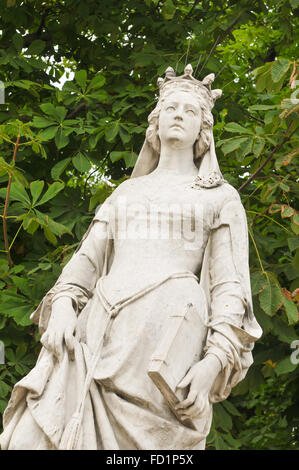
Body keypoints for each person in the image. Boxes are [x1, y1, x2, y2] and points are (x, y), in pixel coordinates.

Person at [0, 65, 262, 450]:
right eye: (171, 107)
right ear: (155, 124)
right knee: (26, 440)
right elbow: (84, 265)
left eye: (190, 111)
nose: (178, 115)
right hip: (95, 336)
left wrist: (213, 362)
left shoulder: (219, 197)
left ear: (202, 131)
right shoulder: (126, 193)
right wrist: (62, 306)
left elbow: (230, 289)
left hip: (161, 345)